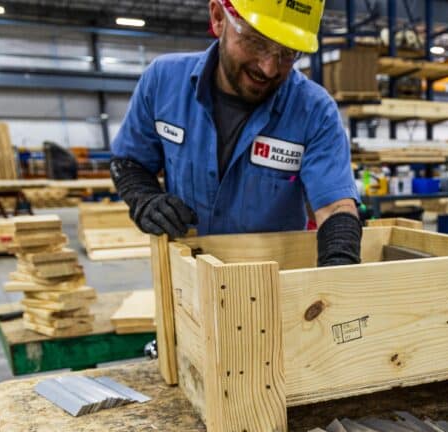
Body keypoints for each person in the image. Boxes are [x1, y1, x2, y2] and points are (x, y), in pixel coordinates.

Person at [110, 0, 362, 266]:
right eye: (256, 42)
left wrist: (338, 280)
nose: (269, 68)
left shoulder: (314, 111)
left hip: (275, 288)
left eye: (287, 53)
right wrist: (145, 199)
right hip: (188, 279)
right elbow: (129, 161)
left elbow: (335, 208)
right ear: (218, 18)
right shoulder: (163, 81)